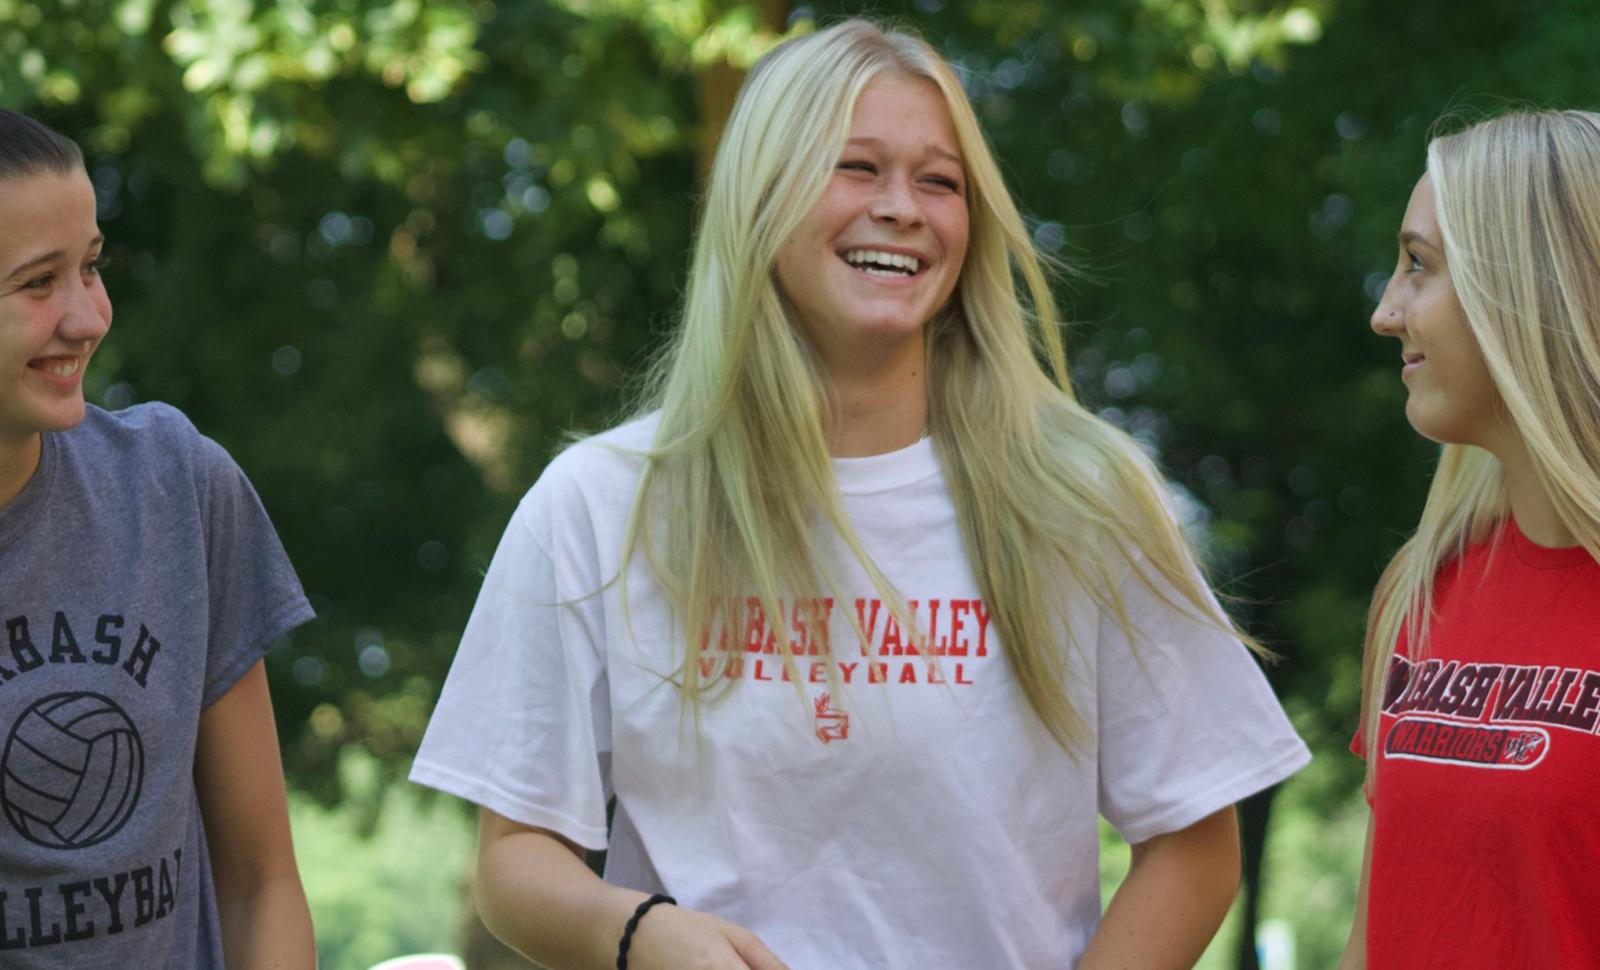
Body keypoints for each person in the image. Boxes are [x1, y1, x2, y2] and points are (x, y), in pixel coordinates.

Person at [412, 19, 1308, 970]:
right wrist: (640, 933)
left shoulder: (1083, 496)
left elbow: (1195, 844)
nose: (903, 209)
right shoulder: (599, 503)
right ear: (761, 197)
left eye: (940, 181)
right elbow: (515, 858)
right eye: (857, 167)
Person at [0, 109, 315, 968]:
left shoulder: (175, 486)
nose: (88, 317)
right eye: (38, 283)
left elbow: (262, 881)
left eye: (91, 268)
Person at [1343, 110, 1600, 969]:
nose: (1386, 312)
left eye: (1419, 265)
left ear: (1531, 289)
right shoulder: (1419, 590)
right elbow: (1374, 936)